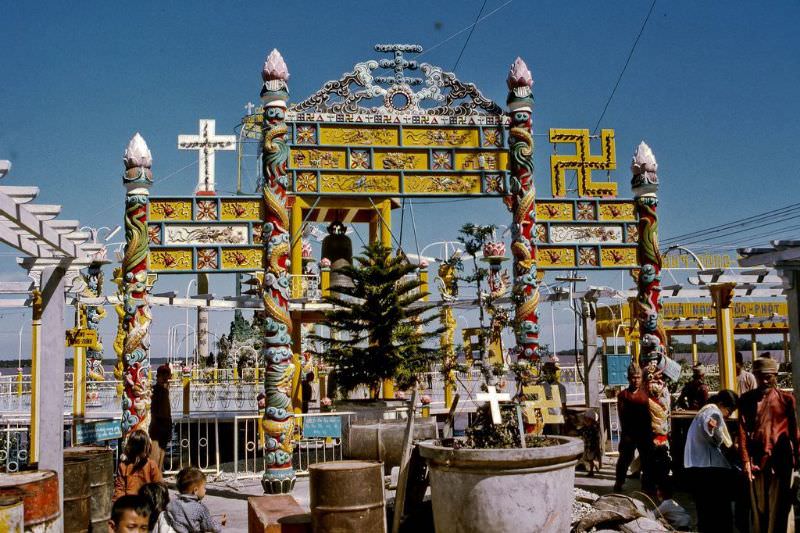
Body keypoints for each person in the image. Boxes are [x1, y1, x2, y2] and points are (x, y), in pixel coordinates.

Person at [738, 357, 799, 533]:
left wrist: (797, 458)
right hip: (757, 461)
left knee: (779, 508)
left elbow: (794, 432)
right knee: (759, 508)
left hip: (780, 461)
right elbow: (742, 431)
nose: (765, 381)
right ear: (755, 376)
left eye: (769, 377)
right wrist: (745, 461)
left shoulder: (786, 400)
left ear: (775, 376)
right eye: (760, 376)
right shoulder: (747, 400)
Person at [683, 389, 739, 532]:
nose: (729, 415)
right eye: (729, 410)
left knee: (705, 511)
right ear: (721, 404)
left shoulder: (704, 411)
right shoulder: (713, 413)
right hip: (709, 470)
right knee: (718, 512)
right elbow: (713, 435)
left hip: (700, 466)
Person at [614, 363, 651, 492]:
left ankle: (647, 486)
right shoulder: (623, 395)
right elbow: (622, 416)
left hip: (644, 433)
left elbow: (648, 416)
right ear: (629, 378)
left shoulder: (645, 395)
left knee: (647, 460)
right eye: (634, 377)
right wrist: (626, 435)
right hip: (629, 433)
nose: (636, 380)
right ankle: (619, 482)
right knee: (625, 459)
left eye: (638, 377)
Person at [164, 466, 225, 532]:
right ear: (195, 490)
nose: (205, 490)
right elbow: (211, 527)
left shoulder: (172, 504)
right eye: (204, 487)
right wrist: (219, 524)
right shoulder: (200, 508)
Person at [114, 430, 163, 501]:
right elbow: (119, 490)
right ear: (146, 448)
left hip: (142, 504)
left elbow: (159, 487)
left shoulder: (151, 465)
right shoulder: (123, 466)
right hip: (134, 505)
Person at [149, 364, 173, 470]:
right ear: (157, 376)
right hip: (157, 424)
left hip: (165, 423)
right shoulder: (156, 390)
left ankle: (158, 475)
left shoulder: (165, 390)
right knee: (155, 453)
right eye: (162, 375)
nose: (164, 377)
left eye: (166, 375)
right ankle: (154, 477)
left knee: (162, 452)